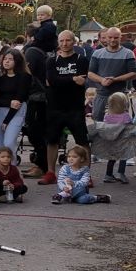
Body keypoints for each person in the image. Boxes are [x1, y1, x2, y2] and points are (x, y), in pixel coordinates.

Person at [42, 31, 90, 187]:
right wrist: (72, 79)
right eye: (61, 40)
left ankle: (86, 175)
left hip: (75, 107)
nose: (64, 43)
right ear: (58, 42)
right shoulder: (51, 61)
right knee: (52, 140)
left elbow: (82, 80)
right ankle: (50, 173)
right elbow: (52, 81)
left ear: (74, 42)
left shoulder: (81, 60)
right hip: (54, 107)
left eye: (68, 40)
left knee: (82, 141)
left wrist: (67, 81)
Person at [88, 28, 136, 121]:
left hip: (119, 96)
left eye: (115, 37)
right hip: (101, 95)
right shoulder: (97, 53)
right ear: (106, 37)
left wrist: (115, 79)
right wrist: (101, 80)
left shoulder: (128, 53)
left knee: (119, 125)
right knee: (99, 124)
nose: (112, 40)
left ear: (120, 37)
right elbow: (90, 73)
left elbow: (134, 73)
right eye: (110, 37)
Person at [0, 48, 30, 154]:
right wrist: (8, 103)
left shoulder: (24, 77)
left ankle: (11, 167)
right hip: (0, 111)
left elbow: (18, 101)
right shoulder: (1, 78)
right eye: (5, 59)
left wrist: (6, 121)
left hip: (16, 112)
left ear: (17, 61)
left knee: (8, 143)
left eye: (10, 59)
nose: (7, 61)